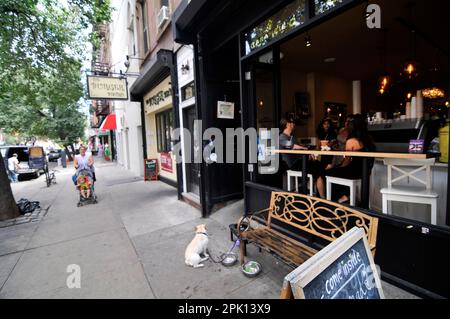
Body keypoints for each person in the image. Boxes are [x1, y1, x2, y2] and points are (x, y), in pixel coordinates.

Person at [316, 114, 376, 203]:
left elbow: (347, 161)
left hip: (353, 172)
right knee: (334, 171)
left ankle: (328, 200)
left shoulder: (351, 141)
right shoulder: (369, 140)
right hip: (365, 172)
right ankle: (344, 196)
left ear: (353, 126)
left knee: (324, 173)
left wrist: (335, 166)